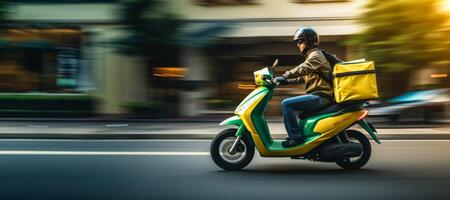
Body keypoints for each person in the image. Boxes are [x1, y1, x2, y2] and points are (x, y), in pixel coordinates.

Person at [273, 27, 340, 148]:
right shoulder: (313, 56)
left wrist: (285, 75)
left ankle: (296, 138)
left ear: (308, 41)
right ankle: (301, 137)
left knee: (286, 104)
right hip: (317, 96)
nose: (298, 45)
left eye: (300, 41)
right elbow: (303, 77)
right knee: (299, 113)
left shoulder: (315, 55)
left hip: (321, 97)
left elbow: (303, 68)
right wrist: (285, 82)